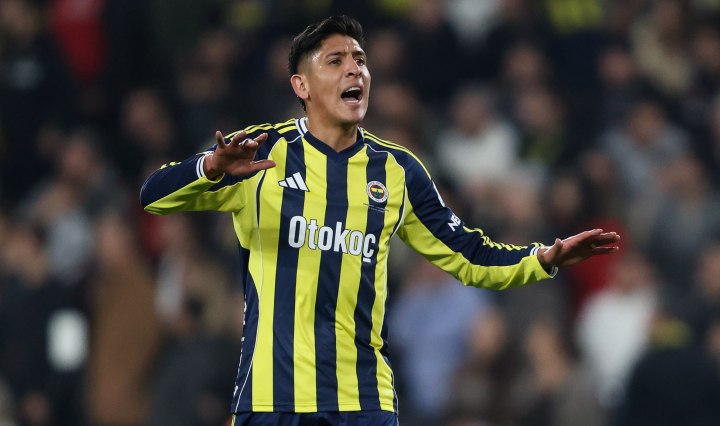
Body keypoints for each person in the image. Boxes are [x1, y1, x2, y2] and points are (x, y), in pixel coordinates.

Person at [139, 15, 620, 426]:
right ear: (301, 86)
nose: (355, 69)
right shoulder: (262, 153)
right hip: (271, 398)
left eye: (360, 60)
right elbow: (154, 197)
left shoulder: (398, 171)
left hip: (362, 401)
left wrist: (543, 257)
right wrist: (210, 168)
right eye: (336, 61)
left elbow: (470, 256)